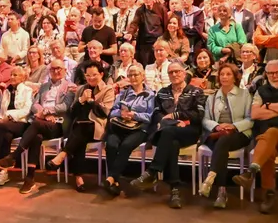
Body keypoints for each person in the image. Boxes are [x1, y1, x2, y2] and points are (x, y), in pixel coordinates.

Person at [232, 59, 278, 213]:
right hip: (267, 140)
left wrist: (267, 106)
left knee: (272, 132)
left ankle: (251, 172)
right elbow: (255, 113)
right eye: (271, 73)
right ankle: (269, 194)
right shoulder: (262, 91)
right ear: (266, 74)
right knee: (268, 148)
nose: (275, 76)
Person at [0, 58, 75, 193]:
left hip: (57, 124)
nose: (56, 71)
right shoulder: (44, 86)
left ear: (65, 70)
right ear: (49, 71)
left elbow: (65, 106)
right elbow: (34, 105)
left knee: (35, 125)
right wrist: (41, 113)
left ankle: (14, 156)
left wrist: (47, 112)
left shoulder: (70, 86)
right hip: (39, 122)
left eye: (59, 68)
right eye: (53, 69)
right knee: (16, 130)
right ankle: (30, 178)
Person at [131, 61, 203, 209]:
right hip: (168, 131)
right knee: (172, 143)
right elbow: (157, 113)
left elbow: (199, 114)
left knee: (168, 133)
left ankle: (153, 171)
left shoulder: (196, 91)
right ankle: (175, 191)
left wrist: (176, 116)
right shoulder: (163, 92)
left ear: (184, 73)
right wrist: (166, 122)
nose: (174, 74)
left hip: (189, 130)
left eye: (177, 71)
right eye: (171, 72)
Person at [48, 62, 113, 192]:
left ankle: (62, 155)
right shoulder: (81, 89)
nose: (91, 78)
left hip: (96, 127)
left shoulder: (108, 89)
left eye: (94, 75)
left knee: (81, 130)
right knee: (79, 137)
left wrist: (90, 101)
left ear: (101, 74)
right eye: (88, 75)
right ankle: (78, 178)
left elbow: (104, 113)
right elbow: (72, 112)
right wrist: (81, 100)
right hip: (79, 128)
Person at [198, 63, 254, 209]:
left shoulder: (244, 94)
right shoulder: (212, 96)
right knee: (221, 142)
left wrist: (234, 126)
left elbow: (251, 119)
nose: (224, 77)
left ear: (235, 77)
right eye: (222, 74)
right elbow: (205, 119)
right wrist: (216, 126)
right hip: (216, 133)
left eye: (228, 74)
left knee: (222, 142)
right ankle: (220, 189)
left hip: (238, 133)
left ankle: (213, 181)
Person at [102, 64, 155, 196]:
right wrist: (121, 113)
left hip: (139, 129)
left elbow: (150, 117)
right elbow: (112, 112)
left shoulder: (150, 95)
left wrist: (135, 115)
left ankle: (111, 178)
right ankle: (115, 182)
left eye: (136, 74)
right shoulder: (123, 93)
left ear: (142, 76)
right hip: (120, 127)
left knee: (125, 146)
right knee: (112, 144)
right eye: (130, 74)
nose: (133, 77)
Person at [126, 0, 166, 65]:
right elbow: (134, 23)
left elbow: (165, 24)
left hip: (157, 41)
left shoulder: (161, 9)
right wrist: (130, 33)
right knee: (145, 64)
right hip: (144, 42)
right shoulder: (140, 10)